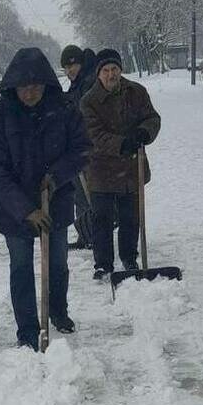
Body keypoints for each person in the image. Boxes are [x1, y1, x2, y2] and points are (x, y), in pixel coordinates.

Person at [0, 47, 90, 350]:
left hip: (55, 201)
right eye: (23, 86)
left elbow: (82, 149)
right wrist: (26, 209)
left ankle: (58, 311)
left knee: (57, 263)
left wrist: (56, 176)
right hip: (13, 208)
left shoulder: (65, 108)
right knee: (20, 267)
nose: (30, 92)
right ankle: (27, 329)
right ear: (12, 85)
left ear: (46, 83)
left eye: (36, 85)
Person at [79, 49, 161, 280]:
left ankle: (128, 256)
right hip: (101, 168)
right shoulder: (89, 101)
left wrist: (145, 132)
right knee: (102, 218)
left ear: (120, 70)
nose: (111, 74)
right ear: (98, 73)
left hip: (131, 167)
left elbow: (152, 118)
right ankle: (103, 263)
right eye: (105, 70)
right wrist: (122, 143)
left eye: (114, 69)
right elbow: (94, 134)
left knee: (130, 216)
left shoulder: (137, 92)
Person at [60, 44, 98, 251]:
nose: (68, 72)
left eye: (71, 66)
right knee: (79, 192)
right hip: (77, 146)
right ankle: (86, 234)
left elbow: (82, 112)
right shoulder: (80, 83)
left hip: (88, 146)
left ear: (79, 63)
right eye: (65, 68)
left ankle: (92, 234)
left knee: (87, 192)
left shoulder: (89, 81)